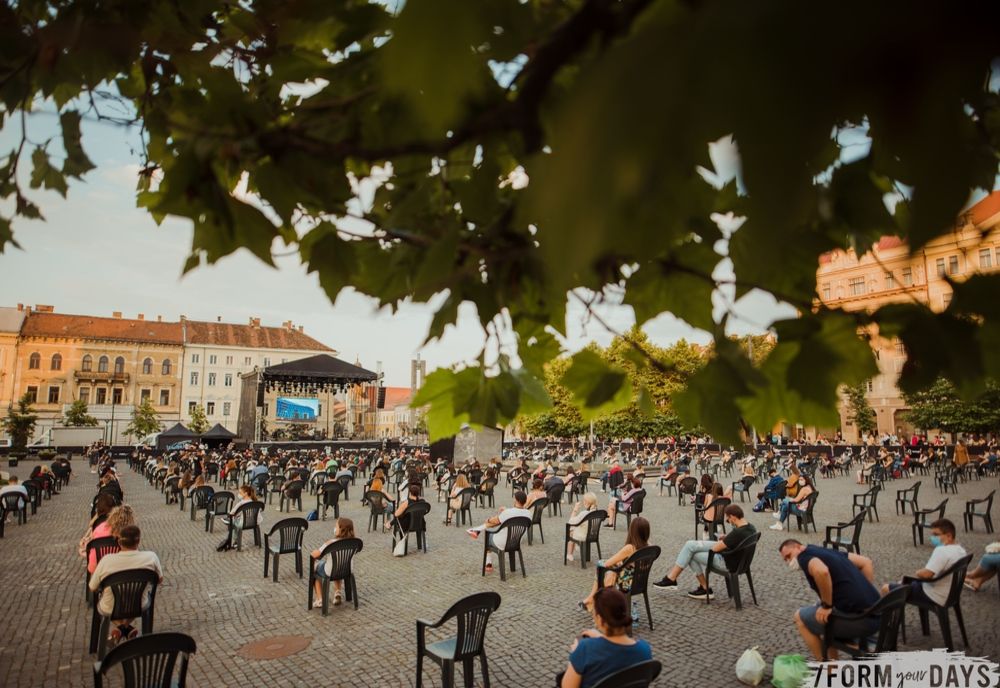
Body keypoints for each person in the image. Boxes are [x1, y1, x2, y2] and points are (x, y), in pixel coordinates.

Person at [777, 538, 879, 660]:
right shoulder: (823, 551)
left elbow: (822, 571)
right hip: (877, 612)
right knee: (819, 612)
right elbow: (866, 562)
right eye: (785, 560)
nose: (789, 561)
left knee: (800, 617)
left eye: (789, 556)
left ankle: (825, 667)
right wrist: (863, 592)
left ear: (798, 547)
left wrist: (827, 606)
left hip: (862, 620)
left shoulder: (803, 557)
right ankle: (832, 669)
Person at [652, 504, 757, 599]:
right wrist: (726, 539)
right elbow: (735, 540)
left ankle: (678, 580)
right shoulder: (751, 528)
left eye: (728, 519)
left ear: (733, 516)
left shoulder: (737, 533)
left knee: (690, 552)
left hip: (726, 562)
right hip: (737, 560)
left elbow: (715, 549)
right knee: (690, 546)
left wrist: (722, 541)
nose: (728, 521)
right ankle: (679, 581)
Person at [557, 586, 652, 688]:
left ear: (599, 618)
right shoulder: (644, 650)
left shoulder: (585, 650)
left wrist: (576, 654)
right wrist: (601, 637)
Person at [88, 525, 163, 648]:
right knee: (135, 598)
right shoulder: (151, 557)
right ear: (138, 541)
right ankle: (125, 629)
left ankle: (121, 629)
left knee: (107, 601)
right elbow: (159, 580)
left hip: (110, 606)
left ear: (118, 541)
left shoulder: (106, 560)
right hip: (139, 603)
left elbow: (92, 587)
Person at [882, 518, 966, 604]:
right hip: (950, 594)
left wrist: (917, 572)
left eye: (936, 534)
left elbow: (926, 574)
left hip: (934, 595)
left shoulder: (941, 550)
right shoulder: (961, 550)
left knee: (886, 588)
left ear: (949, 536)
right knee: (903, 583)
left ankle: (883, 616)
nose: (933, 538)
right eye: (932, 534)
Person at [580, 517, 650, 610]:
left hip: (626, 584)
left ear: (632, 531)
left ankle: (594, 599)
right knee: (612, 572)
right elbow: (633, 565)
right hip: (639, 582)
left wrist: (617, 563)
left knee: (602, 566)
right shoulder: (649, 547)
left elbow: (607, 563)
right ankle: (593, 599)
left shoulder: (630, 548)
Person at [467, 491, 531, 574]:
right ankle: (476, 530)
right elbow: (515, 513)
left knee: (488, 536)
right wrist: (506, 510)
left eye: (514, 499)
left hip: (502, 542)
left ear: (517, 500)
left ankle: (488, 563)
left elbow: (495, 521)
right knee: (496, 523)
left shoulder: (508, 513)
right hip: (516, 541)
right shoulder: (528, 513)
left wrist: (488, 519)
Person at [311, 517, 356, 607]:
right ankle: (337, 591)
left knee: (314, 569)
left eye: (336, 526)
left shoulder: (331, 543)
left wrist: (312, 552)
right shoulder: (354, 543)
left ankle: (320, 599)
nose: (334, 528)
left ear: (340, 529)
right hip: (346, 570)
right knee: (338, 564)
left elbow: (316, 555)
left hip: (330, 571)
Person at [89, 504, 136, 573]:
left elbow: (92, 568)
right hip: (120, 574)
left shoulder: (99, 528)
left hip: (100, 571)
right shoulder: (128, 535)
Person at [217, 485, 261, 551]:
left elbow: (232, 513)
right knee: (236, 520)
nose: (239, 495)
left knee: (233, 523)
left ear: (246, 493)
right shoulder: (255, 502)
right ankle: (257, 541)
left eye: (240, 493)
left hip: (243, 523)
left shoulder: (241, 503)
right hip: (254, 522)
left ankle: (236, 542)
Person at [565, 493, 599, 562]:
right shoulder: (598, 512)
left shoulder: (584, 513)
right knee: (574, 528)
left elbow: (571, 521)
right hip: (592, 535)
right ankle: (577, 546)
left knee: (570, 530)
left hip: (583, 536)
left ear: (586, 502)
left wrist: (575, 509)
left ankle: (569, 553)